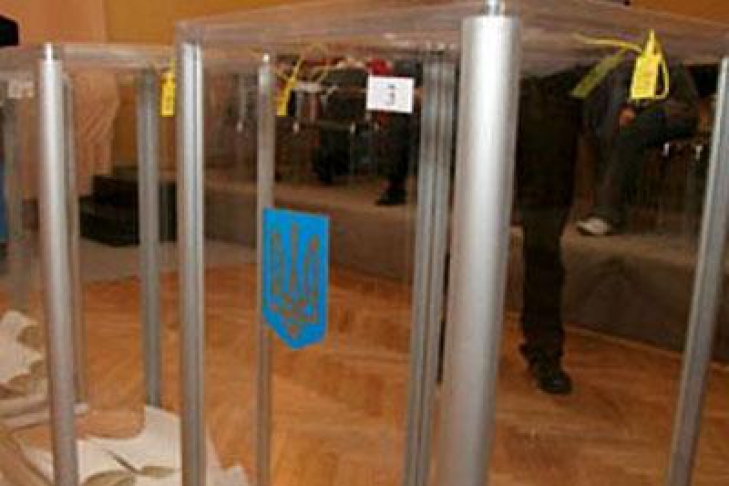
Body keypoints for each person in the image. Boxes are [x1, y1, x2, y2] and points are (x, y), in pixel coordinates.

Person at [515, 69, 584, 394]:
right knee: (469, 245)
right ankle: (451, 338)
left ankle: (544, 351)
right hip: (486, 97)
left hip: (554, 112)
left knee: (544, 253)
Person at [577, 60, 700, 236]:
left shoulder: (649, 51)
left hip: (673, 107)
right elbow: (585, 86)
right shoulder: (609, 57)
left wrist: (633, 107)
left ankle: (607, 215)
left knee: (628, 136)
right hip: (640, 106)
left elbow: (656, 81)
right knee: (610, 132)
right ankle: (603, 207)